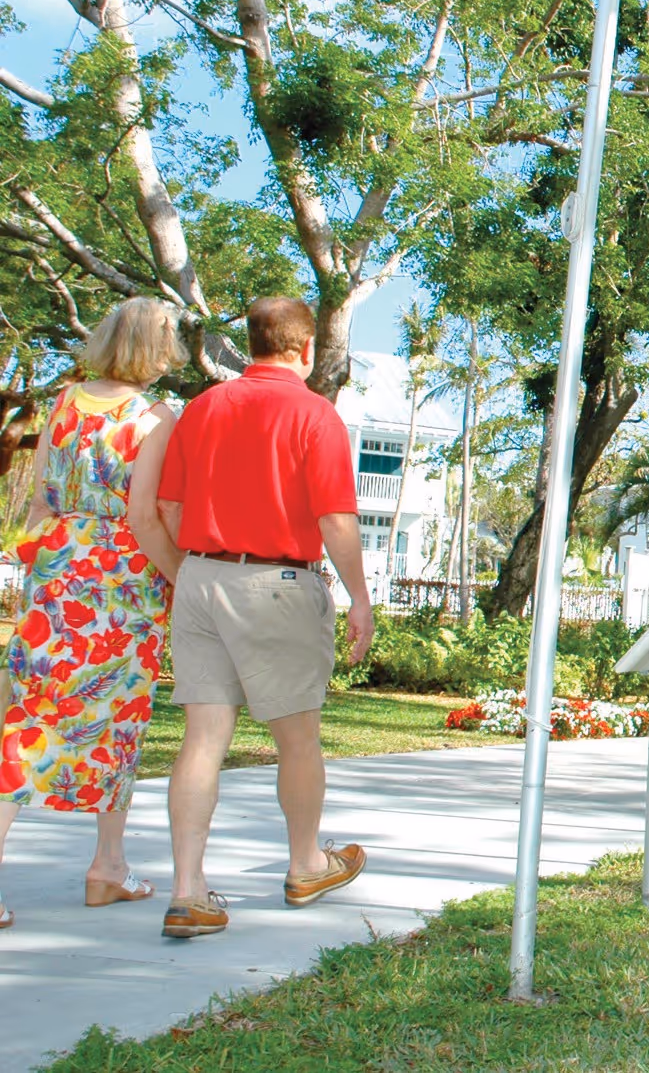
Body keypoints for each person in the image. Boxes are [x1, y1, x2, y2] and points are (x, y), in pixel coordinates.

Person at [155, 297, 375, 939]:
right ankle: (307, 863)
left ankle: (188, 891)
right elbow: (336, 518)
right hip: (277, 582)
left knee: (202, 739)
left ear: (251, 344)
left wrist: (194, 576)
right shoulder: (315, 414)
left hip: (198, 576)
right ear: (305, 349)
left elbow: (170, 509)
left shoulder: (203, 408)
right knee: (297, 739)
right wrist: (359, 597)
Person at [0, 298, 186, 928]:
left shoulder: (66, 402)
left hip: (58, 568)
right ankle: (106, 866)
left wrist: (39, 563)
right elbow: (144, 517)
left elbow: (41, 497)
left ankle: (107, 865)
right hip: (120, 581)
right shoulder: (154, 417)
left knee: (27, 713)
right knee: (120, 718)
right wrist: (181, 578)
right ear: (154, 348)